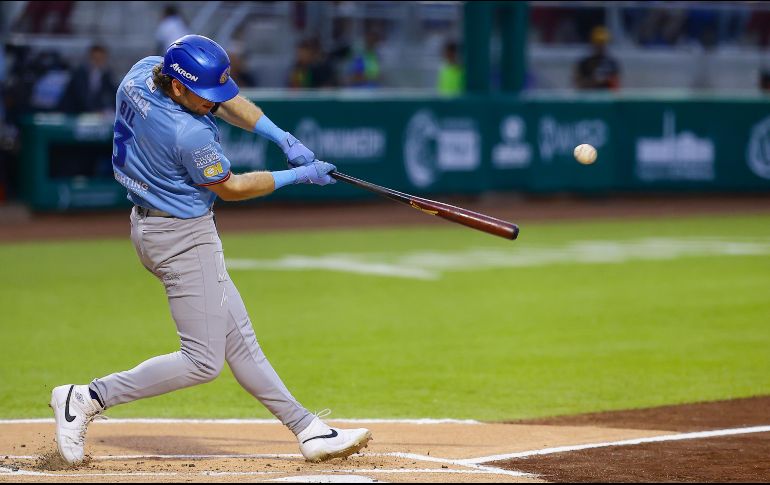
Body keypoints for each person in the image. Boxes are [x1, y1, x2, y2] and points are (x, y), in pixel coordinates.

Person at [49, 34, 372, 466]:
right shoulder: (188, 133)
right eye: (205, 95)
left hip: (153, 225)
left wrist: (281, 135)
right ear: (179, 87)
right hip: (182, 237)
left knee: (239, 341)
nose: (214, 102)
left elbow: (225, 99)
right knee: (203, 361)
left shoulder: (143, 72)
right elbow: (231, 187)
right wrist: (301, 175)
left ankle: (308, 429)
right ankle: (86, 397)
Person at [58, 44, 116, 114]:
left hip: (93, 113)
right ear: (90, 58)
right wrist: (94, 111)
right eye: (95, 59)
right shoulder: (79, 74)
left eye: (100, 59)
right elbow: (81, 96)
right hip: (75, 111)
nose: (98, 62)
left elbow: (112, 93)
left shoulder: (107, 75)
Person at [573, 26, 621, 90]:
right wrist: (594, 81)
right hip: (589, 97)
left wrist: (608, 80)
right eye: (598, 43)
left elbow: (617, 87)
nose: (601, 46)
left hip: (606, 98)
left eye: (603, 43)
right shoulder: (584, 63)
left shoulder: (612, 63)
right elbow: (578, 84)